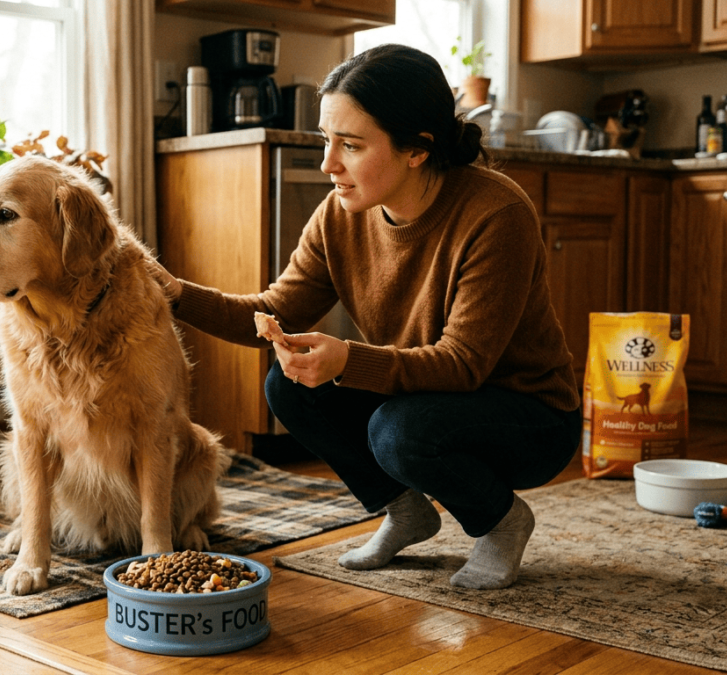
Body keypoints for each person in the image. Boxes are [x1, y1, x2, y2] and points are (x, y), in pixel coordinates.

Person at [154, 44, 581, 590]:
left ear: (417, 150)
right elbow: (272, 312)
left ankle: (501, 520)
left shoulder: (496, 215)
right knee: (290, 386)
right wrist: (173, 292)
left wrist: (349, 360)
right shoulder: (340, 214)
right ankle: (406, 511)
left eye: (351, 145)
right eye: (326, 140)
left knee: (397, 431)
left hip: (530, 416)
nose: (329, 163)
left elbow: (464, 365)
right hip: (430, 398)